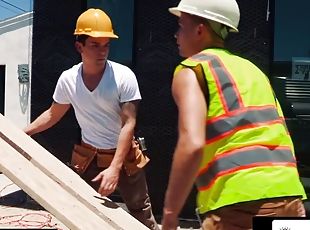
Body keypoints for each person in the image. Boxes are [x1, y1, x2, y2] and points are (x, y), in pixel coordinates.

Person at [162, 0, 307, 229]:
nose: (176, 35)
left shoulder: (192, 69)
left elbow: (192, 144)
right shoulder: (253, 70)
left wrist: (170, 212)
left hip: (240, 206)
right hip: (290, 200)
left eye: (181, 26)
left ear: (200, 30)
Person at [23, 8, 159, 230]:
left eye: (106, 44)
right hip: (89, 158)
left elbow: (128, 124)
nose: (102, 51)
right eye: (95, 44)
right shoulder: (68, 79)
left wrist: (115, 168)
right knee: (83, 210)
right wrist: (21, 134)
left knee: (139, 213)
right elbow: (52, 114)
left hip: (124, 159)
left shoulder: (123, 76)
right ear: (79, 46)